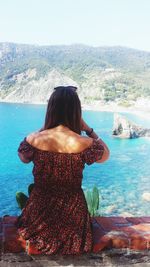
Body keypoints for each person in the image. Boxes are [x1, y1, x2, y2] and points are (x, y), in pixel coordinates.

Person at [15, 86, 109, 255]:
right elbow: (105, 155)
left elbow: (23, 158)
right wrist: (88, 129)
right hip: (73, 218)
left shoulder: (33, 139)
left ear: (51, 110)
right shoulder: (85, 142)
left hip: (38, 217)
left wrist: (44, 127)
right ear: (76, 112)